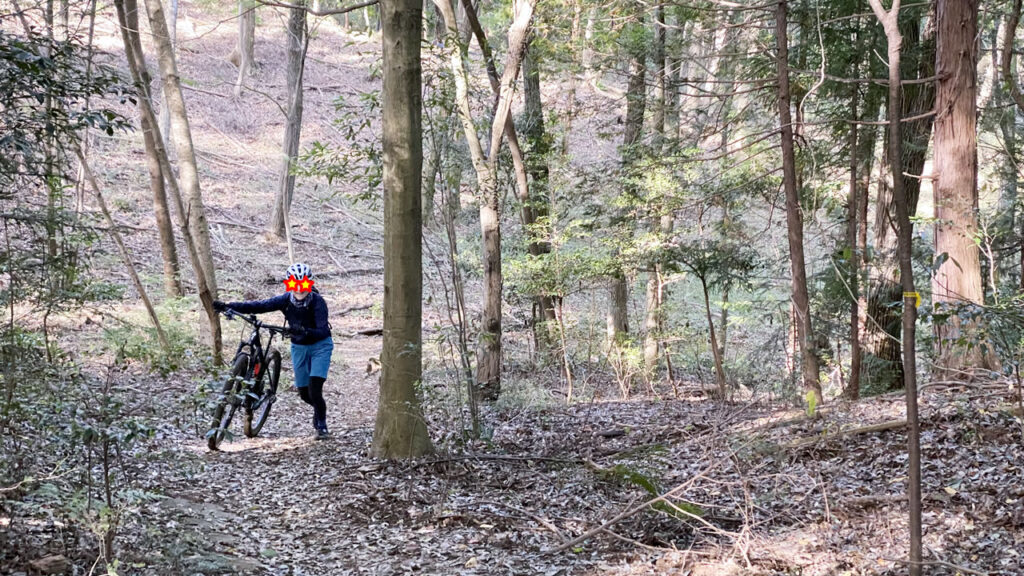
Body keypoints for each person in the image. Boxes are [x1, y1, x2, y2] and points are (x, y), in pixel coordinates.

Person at [213, 263, 334, 439]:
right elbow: (259, 306)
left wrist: (305, 331)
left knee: (315, 389)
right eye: (294, 284)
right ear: (289, 284)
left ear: (309, 283)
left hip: (320, 346)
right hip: (299, 346)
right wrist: (228, 306)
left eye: (303, 284)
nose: (299, 289)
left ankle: (321, 426)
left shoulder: (317, 302)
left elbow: (323, 329)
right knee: (304, 394)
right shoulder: (285, 300)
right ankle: (318, 407)